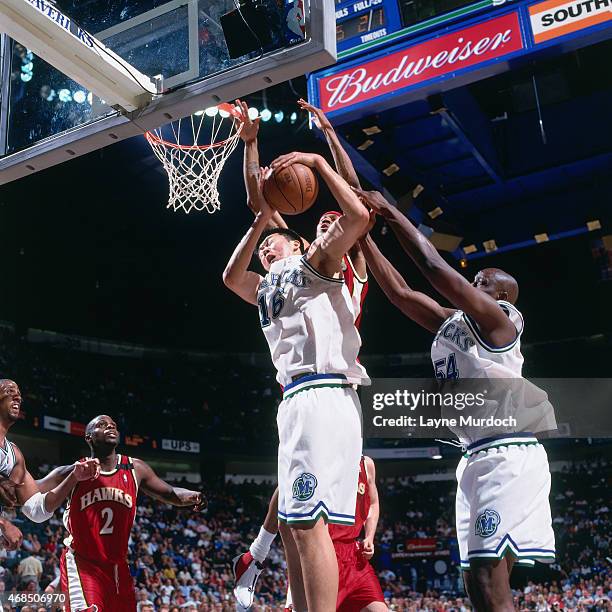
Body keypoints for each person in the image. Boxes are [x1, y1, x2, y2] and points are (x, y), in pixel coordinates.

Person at [353, 188, 555, 611]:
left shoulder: (501, 324)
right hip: (475, 455)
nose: (472, 283)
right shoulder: (454, 324)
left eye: (482, 283)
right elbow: (401, 295)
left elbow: (431, 266)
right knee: (475, 584)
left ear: (499, 298)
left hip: (506, 455)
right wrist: (362, 239)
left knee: (488, 578)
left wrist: (390, 212)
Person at [223, 104, 370, 611]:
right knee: (292, 523)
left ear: (300, 242)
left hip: (325, 389)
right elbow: (250, 223)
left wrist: (319, 155)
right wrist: (250, 144)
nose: (267, 249)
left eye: (274, 243)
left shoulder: (319, 261)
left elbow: (356, 215)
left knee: (307, 523)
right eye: (264, 248)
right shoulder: (270, 282)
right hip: (298, 397)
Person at [36, 414, 205, 612]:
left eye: (113, 425)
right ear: (89, 437)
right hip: (83, 562)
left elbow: (169, 493)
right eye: (102, 425)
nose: (110, 427)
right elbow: (30, 490)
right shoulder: (76, 471)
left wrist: (193, 496)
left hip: (118, 566)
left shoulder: (135, 468)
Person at [284, 456, 386, 612]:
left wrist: (369, 536)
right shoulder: (320, 458)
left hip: (353, 555)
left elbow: (373, 502)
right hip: (323, 553)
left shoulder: (366, 464)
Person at [0, 379, 99, 533]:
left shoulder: (14, 455)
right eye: (9, 392)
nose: (18, 398)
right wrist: (3, 524)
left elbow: (36, 510)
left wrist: (74, 476)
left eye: (19, 394)